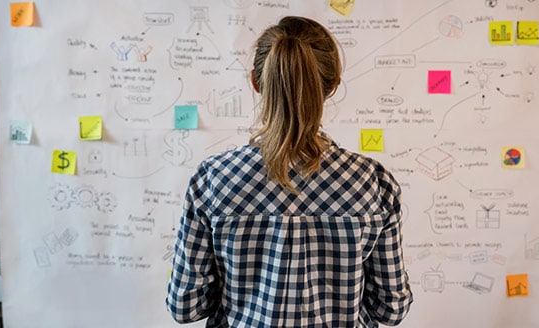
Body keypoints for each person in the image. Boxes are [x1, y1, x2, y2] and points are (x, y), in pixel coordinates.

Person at [166, 16, 412, 327]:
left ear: (256, 82)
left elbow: (184, 306)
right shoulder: (373, 182)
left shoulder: (213, 179)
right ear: (333, 86)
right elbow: (391, 309)